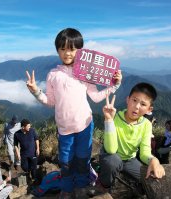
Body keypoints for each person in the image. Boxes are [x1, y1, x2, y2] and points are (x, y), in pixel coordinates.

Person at [25, 28, 122, 198]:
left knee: (83, 159)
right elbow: (50, 102)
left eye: (72, 49)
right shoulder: (52, 75)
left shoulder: (85, 73)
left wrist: (114, 85)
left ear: (80, 51)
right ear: (57, 50)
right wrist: (35, 91)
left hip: (85, 125)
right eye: (62, 48)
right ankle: (68, 189)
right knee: (66, 163)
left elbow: (96, 97)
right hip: (64, 129)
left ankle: (81, 188)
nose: (67, 53)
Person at [98, 82, 165, 192]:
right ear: (127, 100)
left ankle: (137, 190)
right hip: (111, 156)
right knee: (113, 162)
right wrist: (109, 120)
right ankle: (104, 186)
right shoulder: (115, 117)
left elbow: (144, 153)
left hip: (129, 159)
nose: (137, 106)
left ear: (149, 109)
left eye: (143, 104)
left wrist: (154, 160)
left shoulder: (146, 125)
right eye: (134, 100)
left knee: (149, 178)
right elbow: (111, 150)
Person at [14, 119, 40, 184]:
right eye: (28, 126)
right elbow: (15, 145)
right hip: (24, 154)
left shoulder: (32, 131)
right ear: (23, 127)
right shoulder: (17, 134)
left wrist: (38, 149)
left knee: (33, 167)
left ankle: (34, 178)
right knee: (25, 167)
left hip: (33, 153)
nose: (29, 127)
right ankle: (28, 177)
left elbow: (36, 139)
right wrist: (18, 154)